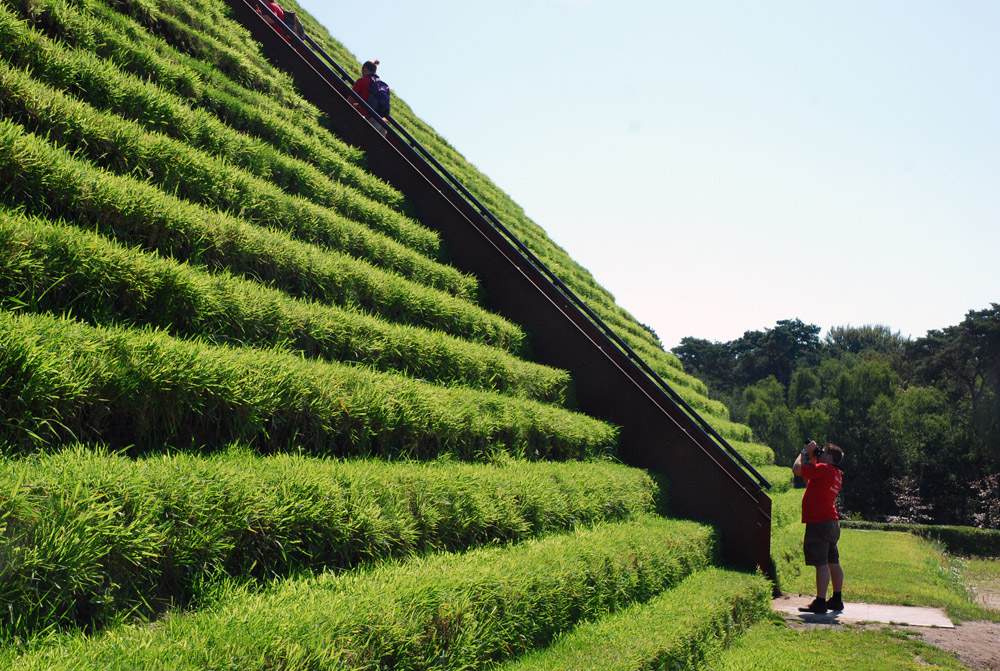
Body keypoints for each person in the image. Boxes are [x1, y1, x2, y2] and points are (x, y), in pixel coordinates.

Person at [792, 440, 846, 614]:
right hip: (831, 522)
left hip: (819, 522)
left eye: (824, 452)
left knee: (821, 563)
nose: (821, 453)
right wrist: (814, 457)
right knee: (833, 561)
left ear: (830, 457)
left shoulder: (825, 469)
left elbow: (797, 470)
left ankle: (820, 602)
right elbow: (810, 479)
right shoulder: (836, 473)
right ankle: (836, 599)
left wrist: (804, 452)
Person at [352, 60, 391, 135]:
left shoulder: (362, 81)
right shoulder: (384, 86)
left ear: (365, 69)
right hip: (381, 123)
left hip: (366, 119)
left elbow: (350, 100)